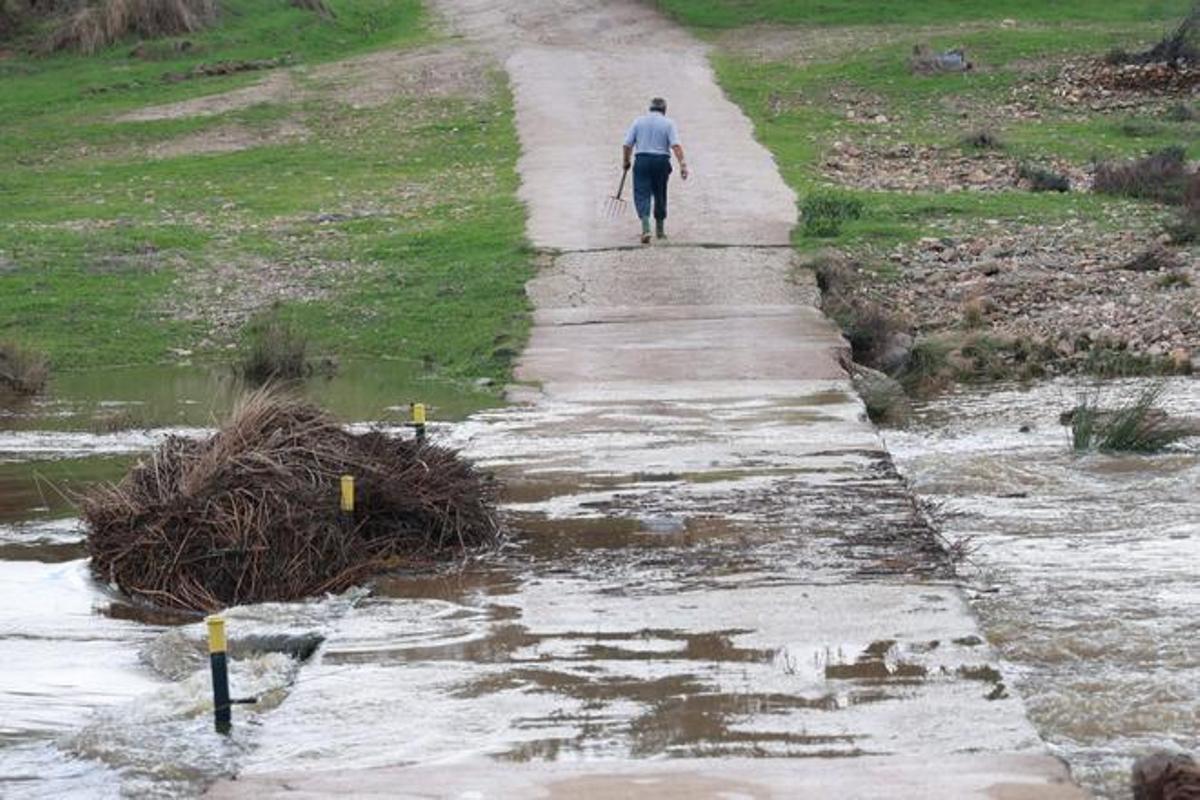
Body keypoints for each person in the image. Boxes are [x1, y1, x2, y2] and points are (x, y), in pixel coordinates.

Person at [622, 97, 688, 244]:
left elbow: (627, 144)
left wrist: (626, 161)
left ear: (650, 109)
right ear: (664, 110)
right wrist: (682, 165)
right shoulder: (668, 123)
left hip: (642, 160)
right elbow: (675, 145)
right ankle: (660, 231)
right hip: (661, 161)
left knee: (641, 193)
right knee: (660, 193)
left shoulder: (638, 121)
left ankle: (646, 228)